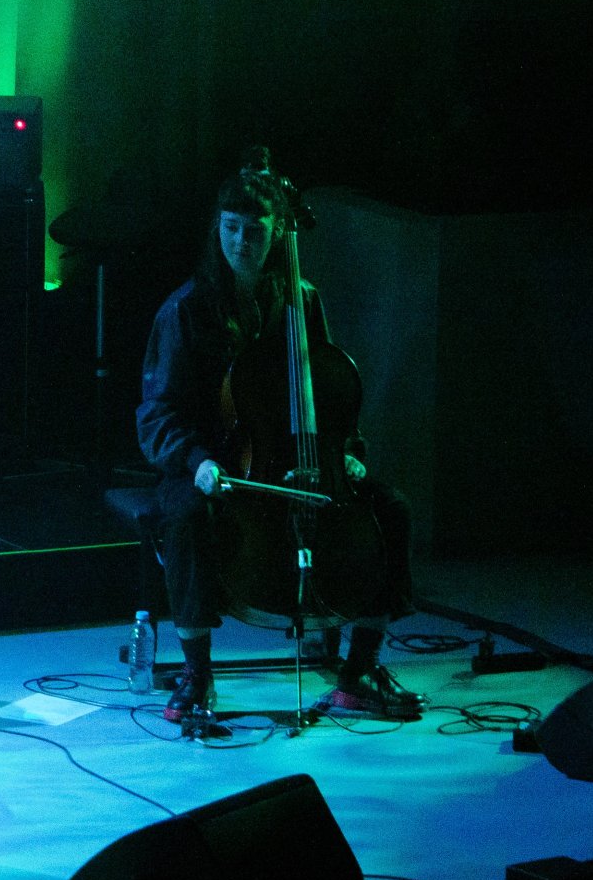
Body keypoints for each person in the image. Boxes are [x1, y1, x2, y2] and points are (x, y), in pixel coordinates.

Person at [135, 154, 420, 729]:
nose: (242, 241)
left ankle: (358, 672)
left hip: (297, 466)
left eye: (256, 231)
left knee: (391, 510)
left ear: (276, 235)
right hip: (212, 465)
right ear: (218, 229)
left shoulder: (302, 299)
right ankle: (197, 673)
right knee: (187, 517)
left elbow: (331, 395)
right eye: (232, 228)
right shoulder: (186, 309)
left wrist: (346, 454)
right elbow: (155, 414)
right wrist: (196, 461)